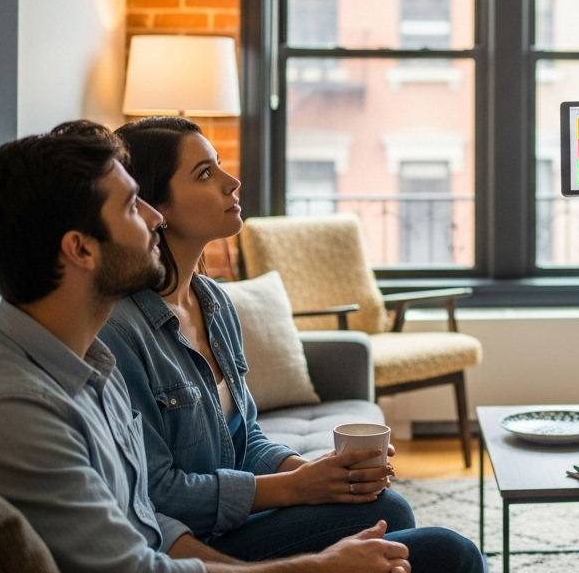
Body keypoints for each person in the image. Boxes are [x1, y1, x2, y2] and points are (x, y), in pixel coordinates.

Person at [0, 121, 413, 572]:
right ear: (82, 249)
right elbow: (138, 562)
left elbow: (150, 521)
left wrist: (316, 480)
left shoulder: (87, 365)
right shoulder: (11, 414)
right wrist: (317, 568)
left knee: (407, 535)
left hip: (190, 549)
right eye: (133, 206)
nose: (155, 218)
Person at [100, 116, 482, 571]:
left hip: (232, 522)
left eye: (219, 165)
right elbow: (158, 494)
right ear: (153, 207)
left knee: (389, 507)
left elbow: (245, 440)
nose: (231, 181)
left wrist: (313, 470)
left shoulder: (214, 302)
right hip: (194, 545)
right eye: (205, 173)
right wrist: (298, 487)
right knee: (452, 550)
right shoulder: (122, 331)